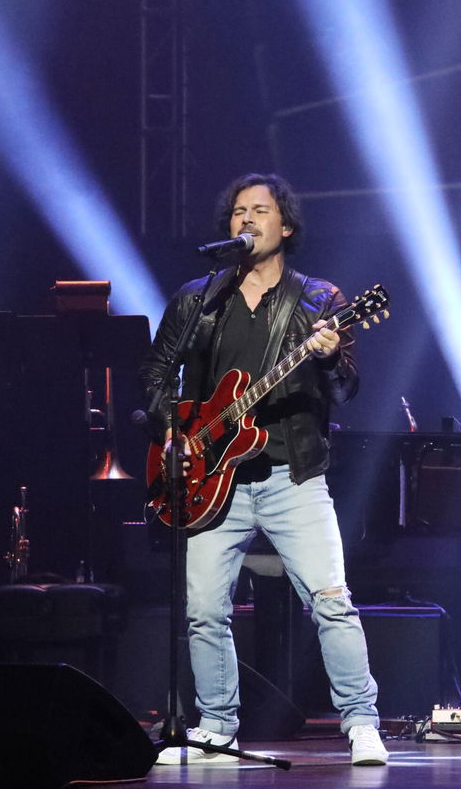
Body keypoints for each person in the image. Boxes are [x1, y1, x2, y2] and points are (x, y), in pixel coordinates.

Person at [140, 173, 388, 766]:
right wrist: (175, 432)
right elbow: (154, 379)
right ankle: (216, 726)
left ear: (286, 226)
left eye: (260, 210)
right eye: (237, 212)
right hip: (209, 480)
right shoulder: (199, 299)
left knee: (331, 600)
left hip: (291, 474)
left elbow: (347, 390)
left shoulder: (320, 300)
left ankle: (361, 723)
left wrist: (328, 360)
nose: (246, 219)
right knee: (204, 610)